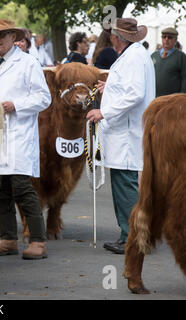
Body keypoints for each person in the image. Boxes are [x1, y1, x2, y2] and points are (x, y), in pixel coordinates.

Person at [0, 19, 51, 260]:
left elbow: (44, 98)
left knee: (22, 187)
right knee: (0, 188)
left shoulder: (28, 62)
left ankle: (38, 241)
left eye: (2, 35)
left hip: (19, 133)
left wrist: (16, 105)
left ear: (14, 37)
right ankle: (8, 239)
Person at [86, 18, 155, 254]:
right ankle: (131, 235)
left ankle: (131, 238)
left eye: (112, 34)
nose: (110, 37)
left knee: (125, 184)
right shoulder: (134, 54)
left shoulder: (134, 56)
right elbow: (128, 88)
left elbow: (135, 94)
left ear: (117, 37)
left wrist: (103, 111)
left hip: (126, 132)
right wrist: (111, 87)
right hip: (124, 131)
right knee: (123, 182)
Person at [151, 27, 186, 97]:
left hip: (172, 100)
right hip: (154, 98)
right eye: (164, 37)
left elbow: (185, 78)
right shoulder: (154, 56)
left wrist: (182, 96)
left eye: (170, 37)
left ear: (175, 40)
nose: (166, 40)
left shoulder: (181, 57)